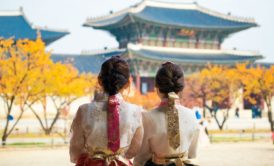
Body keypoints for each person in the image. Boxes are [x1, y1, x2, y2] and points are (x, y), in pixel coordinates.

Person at [70, 56, 144, 166]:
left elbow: (74, 153)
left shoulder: (84, 110)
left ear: (100, 81)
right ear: (128, 83)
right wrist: (118, 157)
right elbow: (134, 150)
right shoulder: (136, 111)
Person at [134, 62, 200, 166]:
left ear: (157, 89)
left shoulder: (146, 117)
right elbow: (192, 154)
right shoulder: (191, 115)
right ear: (181, 88)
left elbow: (141, 157)